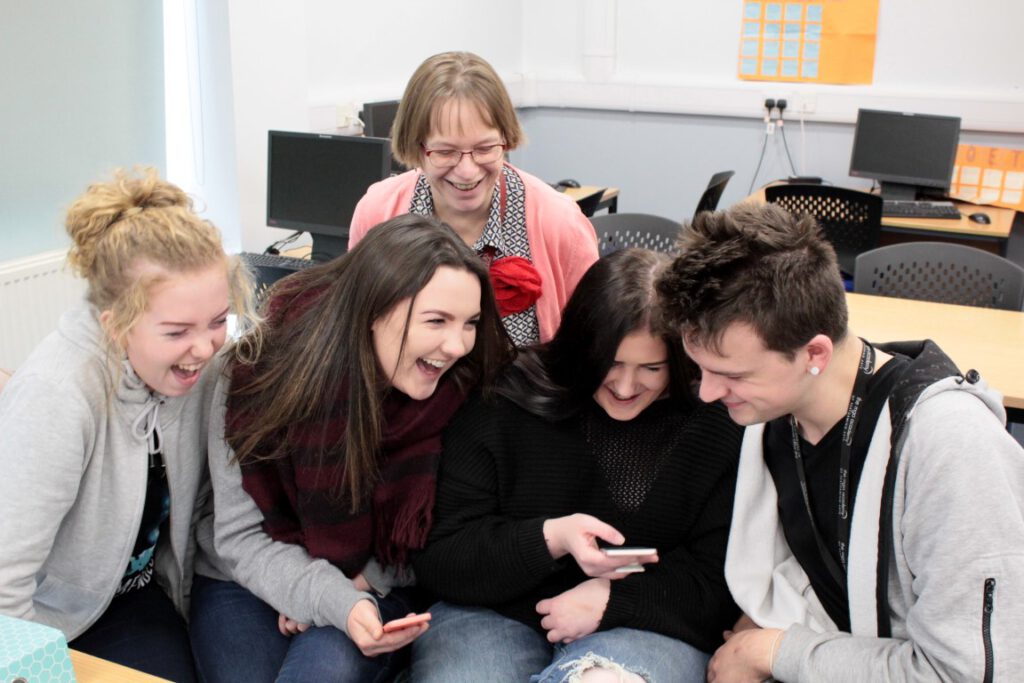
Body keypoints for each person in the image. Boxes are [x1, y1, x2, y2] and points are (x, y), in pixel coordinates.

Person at [656, 203, 1024, 683]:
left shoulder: (950, 446)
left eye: (731, 374)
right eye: (699, 369)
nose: (706, 392)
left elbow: (966, 674)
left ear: (814, 353)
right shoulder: (773, 411)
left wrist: (778, 651)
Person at [190, 214, 514, 683]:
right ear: (373, 312)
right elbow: (241, 536)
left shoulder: (461, 389)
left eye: (471, 323)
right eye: (436, 321)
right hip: (247, 576)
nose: (458, 345)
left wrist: (347, 595)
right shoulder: (256, 373)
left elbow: (439, 536)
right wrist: (324, 595)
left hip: (377, 580)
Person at [411, 249, 744, 683]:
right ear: (580, 346)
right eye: (611, 364)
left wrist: (613, 599)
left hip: (645, 623)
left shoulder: (712, 421)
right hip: (490, 612)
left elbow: (720, 583)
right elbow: (440, 557)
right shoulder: (505, 398)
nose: (626, 387)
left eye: (651, 368)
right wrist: (549, 538)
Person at [0, 168, 256, 682]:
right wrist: (45, 672)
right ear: (115, 324)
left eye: (216, 321)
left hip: (135, 597)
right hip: (48, 620)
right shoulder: (59, 395)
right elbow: (4, 588)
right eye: (177, 331)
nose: (205, 348)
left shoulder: (198, 368)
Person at [349, 51, 599, 346]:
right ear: (416, 149)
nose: (467, 172)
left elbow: (590, 347)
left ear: (506, 139)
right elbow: (357, 332)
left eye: (485, 148)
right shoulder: (378, 212)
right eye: (445, 152)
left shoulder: (560, 223)